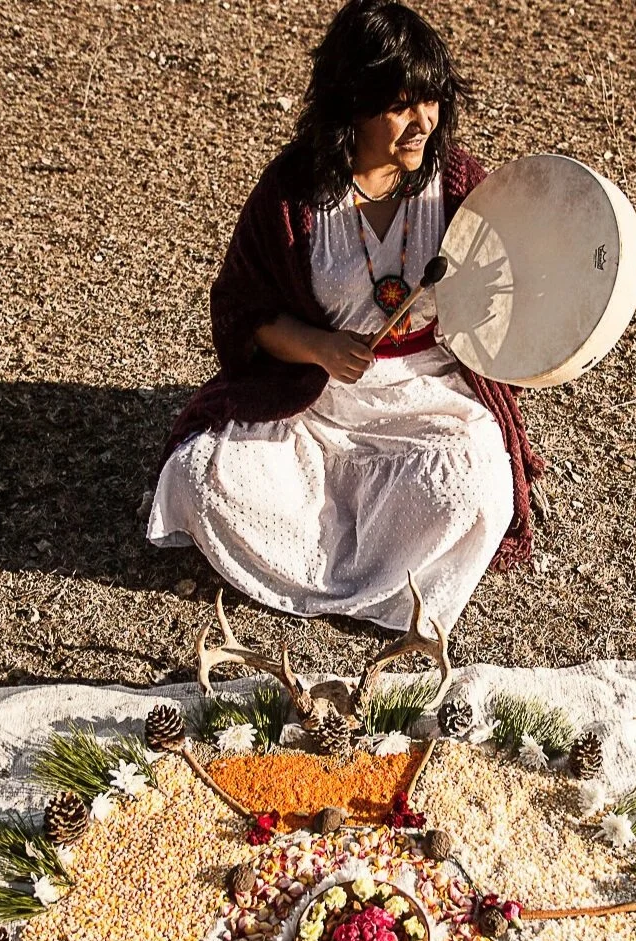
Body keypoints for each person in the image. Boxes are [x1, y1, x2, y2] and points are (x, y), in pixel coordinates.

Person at [148, 0, 543, 632]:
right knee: (206, 477)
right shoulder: (292, 193)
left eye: (431, 101)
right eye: (400, 107)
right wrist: (319, 347)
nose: (423, 124)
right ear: (352, 103)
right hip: (316, 399)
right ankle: (339, 566)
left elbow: (510, 286)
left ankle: (389, 579)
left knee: (472, 483)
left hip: (430, 396)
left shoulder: (458, 183)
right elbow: (243, 311)